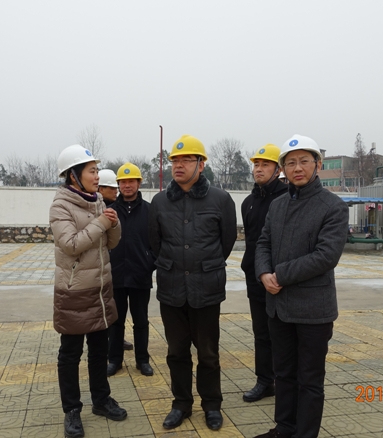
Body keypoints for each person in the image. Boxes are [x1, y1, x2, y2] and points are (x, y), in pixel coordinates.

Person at [254, 135, 349, 438]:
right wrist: (263, 273)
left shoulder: (332, 207)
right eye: (291, 163)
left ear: (317, 165)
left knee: (309, 379)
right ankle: (284, 428)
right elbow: (263, 243)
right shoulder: (278, 205)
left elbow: (326, 256)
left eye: (304, 161)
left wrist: (278, 275)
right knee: (283, 373)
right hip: (279, 308)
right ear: (282, 169)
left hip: (313, 312)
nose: (297, 168)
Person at [149, 135, 237, 431]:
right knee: (176, 352)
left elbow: (227, 241)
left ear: (201, 164)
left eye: (186, 160)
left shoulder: (220, 199)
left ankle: (212, 405)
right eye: (175, 160)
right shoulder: (159, 202)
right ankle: (181, 404)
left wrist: (204, 266)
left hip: (206, 289)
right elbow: (154, 243)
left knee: (208, 354)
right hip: (171, 289)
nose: (179, 165)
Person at [50, 145, 127, 438]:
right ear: (74, 175)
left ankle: (101, 400)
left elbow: (111, 243)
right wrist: (101, 222)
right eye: (92, 171)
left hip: (100, 289)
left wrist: (113, 224)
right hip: (74, 291)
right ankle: (72, 410)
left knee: (99, 351)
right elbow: (70, 244)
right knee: (70, 354)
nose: (97, 176)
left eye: (97, 170)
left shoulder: (97, 200)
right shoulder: (61, 205)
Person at [240, 144, 288, 403]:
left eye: (265, 165)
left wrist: (279, 273)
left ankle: (286, 382)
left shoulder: (287, 198)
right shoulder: (248, 202)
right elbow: (251, 241)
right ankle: (264, 381)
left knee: (282, 334)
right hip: (255, 278)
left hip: (281, 280)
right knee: (261, 333)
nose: (259, 169)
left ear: (277, 170)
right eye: (256, 165)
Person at [107, 162, 156, 377]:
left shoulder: (150, 210)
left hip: (140, 275)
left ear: (139, 183)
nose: (127, 185)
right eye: (123, 182)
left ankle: (142, 360)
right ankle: (114, 360)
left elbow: (157, 241)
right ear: (118, 185)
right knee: (115, 322)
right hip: (116, 275)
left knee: (141, 321)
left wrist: (149, 262)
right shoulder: (110, 211)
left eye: (131, 181)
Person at [98, 168, 133, 351]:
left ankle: (115, 339)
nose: (116, 191)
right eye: (111, 188)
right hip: (100, 267)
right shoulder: (96, 209)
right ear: (100, 189)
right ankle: (106, 341)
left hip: (116, 267)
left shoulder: (114, 208)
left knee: (114, 308)